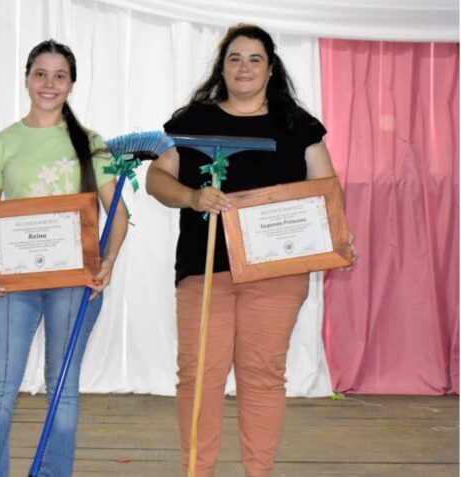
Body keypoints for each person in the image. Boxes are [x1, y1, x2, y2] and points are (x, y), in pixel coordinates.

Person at [146, 24, 358, 477]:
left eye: (254, 58)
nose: (244, 67)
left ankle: (257, 473)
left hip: (276, 275)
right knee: (199, 377)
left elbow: (327, 189)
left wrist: (339, 236)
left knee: (262, 377)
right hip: (205, 272)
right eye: (235, 58)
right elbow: (157, 180)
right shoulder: (190, 123)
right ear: (222, 67)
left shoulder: (297, 125)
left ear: (270, 67)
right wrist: (192, 197)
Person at [0, 39, 129, 477]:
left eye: (59, 76)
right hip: (12, 281)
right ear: (27, 79)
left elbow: (119, 213)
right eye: (41, 74)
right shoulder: (3, 142)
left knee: (63, 387)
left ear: (72, 83)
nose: (49, 84)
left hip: (75, 282)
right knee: (1, 386)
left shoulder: (91, 143)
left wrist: (108, 260)